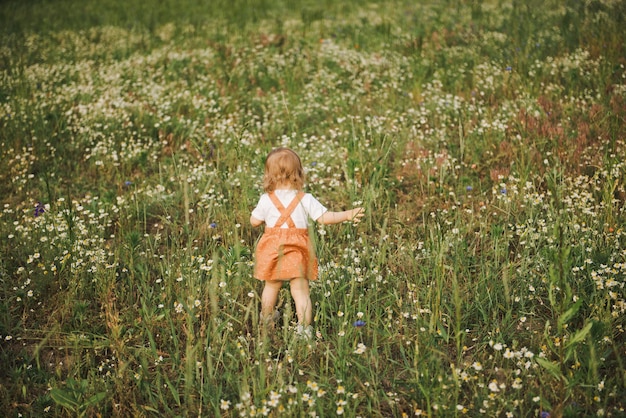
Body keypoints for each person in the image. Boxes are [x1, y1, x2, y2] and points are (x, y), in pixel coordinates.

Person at [250, 147, 364, 339]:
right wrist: (346, 215)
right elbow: (324, 218)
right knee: (300, 290)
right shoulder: (305, 199)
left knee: (271, 286)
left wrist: (264, 219)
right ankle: (304, 330)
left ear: (269, 175)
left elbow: (253, 221)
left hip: (272, 249)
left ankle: (267, 320)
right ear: (299, 173)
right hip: (297, 250)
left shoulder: (265, 200)